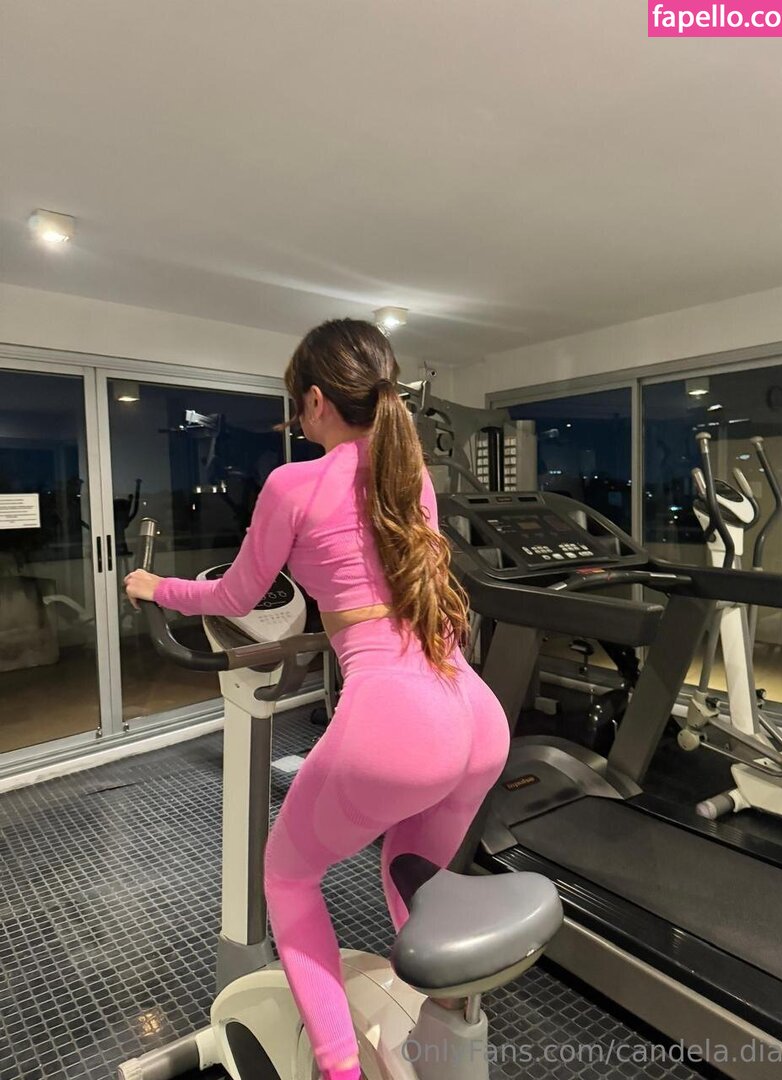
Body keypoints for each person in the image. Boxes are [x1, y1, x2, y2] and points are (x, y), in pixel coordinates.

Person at [125, 319, 509, 1080]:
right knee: (409, 867)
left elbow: (235, 594)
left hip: (398, 720)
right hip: (474, 710)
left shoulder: (292, 484)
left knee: (288, 875)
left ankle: (338, 1070)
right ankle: (439, 1022)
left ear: (314, 400)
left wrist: (155, 585)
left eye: (294, 404)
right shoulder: (411, 478)